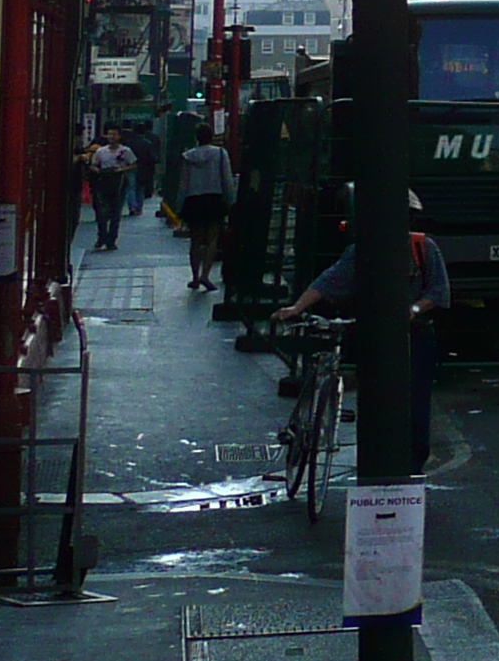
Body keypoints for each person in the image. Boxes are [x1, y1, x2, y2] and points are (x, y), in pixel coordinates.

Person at [273, 198, 451, 470]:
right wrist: (297, 307)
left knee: (416, 402)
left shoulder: (423, 247)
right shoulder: (361, 252)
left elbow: (438, 292)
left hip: (415, 334)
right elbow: (330, 280)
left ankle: (413, 467)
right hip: (376, 335)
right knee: (376, 402)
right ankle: (379, 462)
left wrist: (412, 309)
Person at [175, 130, 235, 292]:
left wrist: (179, 206)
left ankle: (194, 276)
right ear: (211, 137)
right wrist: (231, 201)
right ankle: (205, 275)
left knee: (195, 240)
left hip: (193, 200)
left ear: (197, 138)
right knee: (212, 239)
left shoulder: (187, 156)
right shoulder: (221, 154)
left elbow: (183, 183)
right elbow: (227, 179)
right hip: (214, 198)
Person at [91, 129, 135, 251]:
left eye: (114, 134)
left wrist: (121, 170)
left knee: (116, 213)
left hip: (119, 183)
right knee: (102, 213)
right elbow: (94, 164)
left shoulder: (126, 151)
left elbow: (133, 164)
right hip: (103, 182)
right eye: (109, 134)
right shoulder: (101, 151)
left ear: (119, 136)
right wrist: (97, 171)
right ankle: (102, 237)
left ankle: (111, 240)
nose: (111, 137)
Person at [73, 138, 116, 254]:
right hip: (107, 184)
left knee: (100, 212)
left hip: (95, 185)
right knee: (112, 212)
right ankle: (108, 238)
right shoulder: (101, 152)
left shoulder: (91, 151)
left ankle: (103, 237)